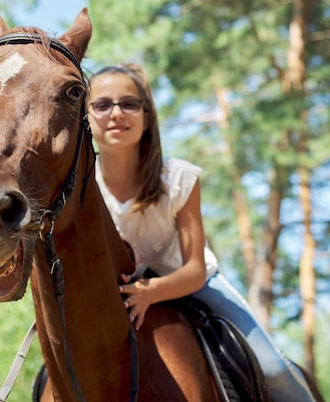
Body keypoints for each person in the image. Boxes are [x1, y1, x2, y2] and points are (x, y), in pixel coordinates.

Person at [87, 62, 316, 402]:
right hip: (116, 294)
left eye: (129, 103)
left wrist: (151, 292)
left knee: (275, 371)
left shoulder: (179, 179)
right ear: (86, 117)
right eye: (102, 104)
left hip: (191, 284)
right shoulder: (80, 187)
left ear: (147, 116)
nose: (116, 113)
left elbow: (194, 269)